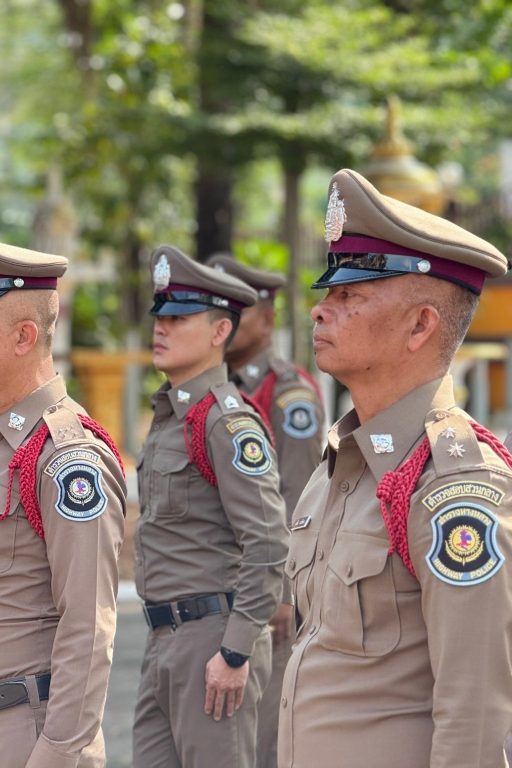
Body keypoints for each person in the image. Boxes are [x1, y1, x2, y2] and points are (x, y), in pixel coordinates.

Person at [279, 168, 512, 768]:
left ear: (419, 325)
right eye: (328, 293)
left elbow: (475, 717)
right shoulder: (343, 462)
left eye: (350, 296)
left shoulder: (455, 485)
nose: (320, 311)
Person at [0, 220, 126, 768]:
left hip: (27, 741)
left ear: (23, 337)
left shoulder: (66, 458)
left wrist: (58, 755)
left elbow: (88, 628)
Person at [132, 246, 288, 768]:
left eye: (179, 318)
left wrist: (235, 650)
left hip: (212, 641)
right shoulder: (171, 415)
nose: (161, 327)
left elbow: (268, 540)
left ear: (220, 331)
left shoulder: (226, 421)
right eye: (160, 316)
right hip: (163, 638)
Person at [206, 254, 324, 768]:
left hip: (265, 592)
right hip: (223, 584)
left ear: (269, 318)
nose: (227, 322)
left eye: (240, 310)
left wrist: (283, 593)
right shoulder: (221, 387)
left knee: (262, 739)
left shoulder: (287, 392)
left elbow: (298, 492)